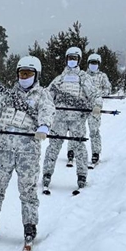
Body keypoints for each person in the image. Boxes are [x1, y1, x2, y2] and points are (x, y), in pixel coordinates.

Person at [0, 55, 55, 246]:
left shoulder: (42, 95)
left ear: (36, 75)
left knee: (27, 190)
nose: (24, 77)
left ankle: (30, 225)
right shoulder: (9, 95)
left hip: (28, 151)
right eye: (21, 73)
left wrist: (44, 126)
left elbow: (48, 110)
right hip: (4, 149)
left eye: (28, 74)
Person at [42, 46, 100, 191]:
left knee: (79, 147)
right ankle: (47, 173)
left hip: (77, 120)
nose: (72, 61)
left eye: (74, 58)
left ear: (79, 60)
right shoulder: (59, 79)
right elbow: (47, 96)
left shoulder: (84, 78)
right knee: (53, 147)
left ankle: (82, 175)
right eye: (70, 58)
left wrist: (97, 105)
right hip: (59, 120)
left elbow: (94, 94)